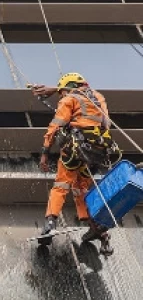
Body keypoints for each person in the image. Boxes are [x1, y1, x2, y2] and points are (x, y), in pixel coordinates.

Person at [32, 72, 117, 255]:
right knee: (82, 189)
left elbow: (54, 127)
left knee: (61, 185)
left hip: (74, 151)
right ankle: (99, 231)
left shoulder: (69, 99)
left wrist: (45, 153)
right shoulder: (99, 97)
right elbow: (106, 124)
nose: (60, 96)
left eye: (61, 92)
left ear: (68, 86)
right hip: (95, 152)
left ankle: (49, 224)